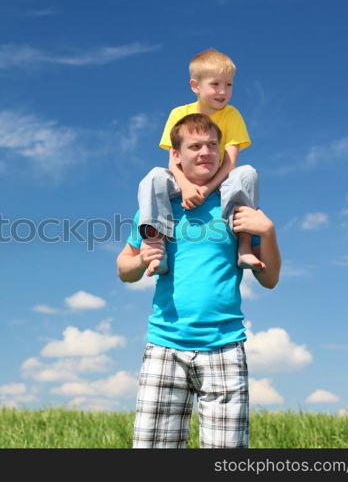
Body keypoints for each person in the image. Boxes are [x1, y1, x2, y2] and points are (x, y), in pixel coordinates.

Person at [117, 113, 281, 448]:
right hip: (165, 345)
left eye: (212, 145)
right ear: (176, 155)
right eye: (195, 146)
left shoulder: (238, 206)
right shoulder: (159, 207)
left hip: (224, 347)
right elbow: (124, 267)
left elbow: (270, 280)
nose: (205, 152)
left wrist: (268, 233)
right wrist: (142, 261)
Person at [138, 49, 263, 276]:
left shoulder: (232, 115)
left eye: (229, 85)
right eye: (215, 84)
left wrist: (204, 190)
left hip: (220, 183)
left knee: (247, 173)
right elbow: (172, 160)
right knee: (155, 175)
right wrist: (186, 187)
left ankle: (244, 245)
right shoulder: (179, 113)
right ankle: (156, 246)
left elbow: (230, 163)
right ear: (195, 86)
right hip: (182, 182)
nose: (223, 91)